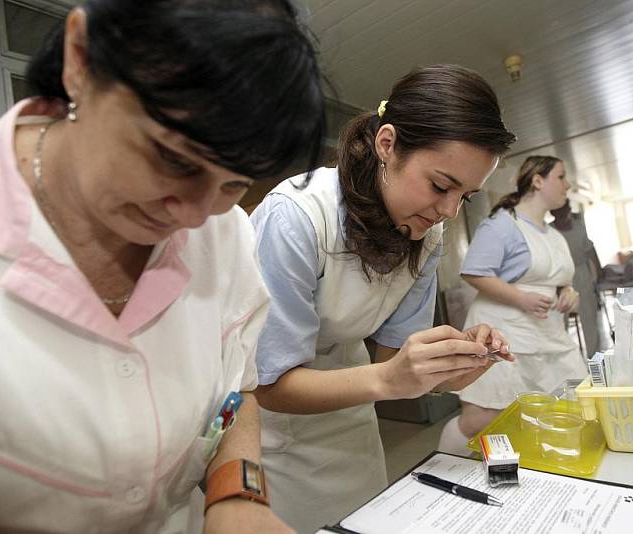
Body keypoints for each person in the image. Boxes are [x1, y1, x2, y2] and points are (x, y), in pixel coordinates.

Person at [0, 1, 325, 532]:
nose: (194, 215)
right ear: (81, 58)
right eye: (174, 160)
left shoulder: (227, 232)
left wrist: (236, 494)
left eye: (235, 183)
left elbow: (237, 392)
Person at [250, 64, 516, 533]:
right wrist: (390, 379)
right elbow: (269, 384)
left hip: (352, 419)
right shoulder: (296, 218)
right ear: (387, 144)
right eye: (440, 185)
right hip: (272, 432)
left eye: (466, 197)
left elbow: (397, 365)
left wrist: (452, 367)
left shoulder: (427, 237)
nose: (448, 211)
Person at [442, 156, 589, 450]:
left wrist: (569, 293)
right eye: (561, 177)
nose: (567, 184)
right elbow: (473, 271)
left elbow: (561, 281)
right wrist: (521, 298)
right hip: (504, 332)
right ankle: (442, 461)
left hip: (547, 335)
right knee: (483, 418)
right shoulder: (502, 225)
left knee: (570, 405)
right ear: (537, 181)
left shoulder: (556, 237)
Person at [551, 199, 603, 358]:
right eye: (558, 210)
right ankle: (563, 358)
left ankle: (595, 357)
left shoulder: (579, 228)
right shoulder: (550, 231)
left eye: (565, 209)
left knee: (589, 316)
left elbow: (590, 250)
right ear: (552, 212)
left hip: (581, 274)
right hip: (560, 276)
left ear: (568, 209)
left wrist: (599, 271)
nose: (562, 213)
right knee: (560, 319)